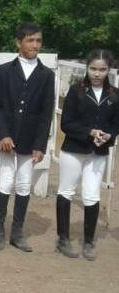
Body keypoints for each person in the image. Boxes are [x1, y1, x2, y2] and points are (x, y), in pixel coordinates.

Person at [0, 22, 55, 252]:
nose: (35, 45)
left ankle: (17, 232)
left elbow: (46, 113)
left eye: (38, 40)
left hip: (30, 138)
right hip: (5, 136)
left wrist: (40, 144)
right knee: (6, 181)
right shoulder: (5, 70)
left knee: (24, 183)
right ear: (19, 43)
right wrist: (3, 134)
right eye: (30, 40)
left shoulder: (46, 75)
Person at [56, 49, 118, 260]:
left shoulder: (115, 94)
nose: (97, 73)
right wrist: (89, 132)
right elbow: (66, 123)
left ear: (109, 70)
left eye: (102, 69)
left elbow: (115, 124)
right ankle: (63, 238)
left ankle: (89, 241)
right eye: (93, 69)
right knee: (66, 191)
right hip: (74, 149)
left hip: (98, 151)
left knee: (92, 194)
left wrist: (109, 136)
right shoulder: (76, 91)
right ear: (87, 68)